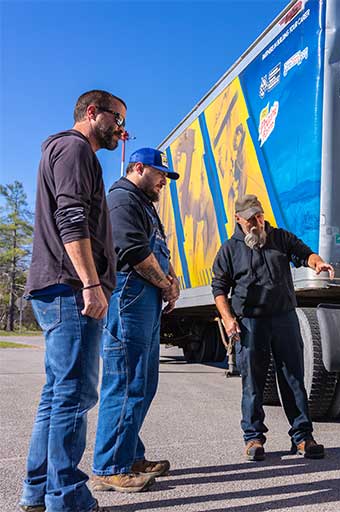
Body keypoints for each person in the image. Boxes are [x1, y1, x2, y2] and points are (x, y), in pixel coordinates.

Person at [20, 90, 126, 512]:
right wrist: (90, 283)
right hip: (70, 289)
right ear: (92, 112)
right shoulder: (75, 149)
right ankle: (65, 496)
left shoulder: (66, 150)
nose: (122, 128)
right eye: (117, 118)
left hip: (58, 288)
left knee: (58, 393)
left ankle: (37, 490)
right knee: (73, 394)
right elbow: (72, 217)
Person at [212, 194, 333, 461]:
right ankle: (253, 438)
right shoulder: (229, 250)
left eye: (260, 215)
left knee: (293, 378)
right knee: (253, 382)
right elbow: (219, 288)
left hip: (284, 318)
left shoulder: (279, 237)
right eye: (251, 218)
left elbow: (303, 253)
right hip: (250, 323)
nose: (257, 221)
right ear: (238, 219)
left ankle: (302, 437)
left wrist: (317, 262)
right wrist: (229, 319)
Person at [91, 148, 181, 492]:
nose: (163, 181)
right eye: (160, 174)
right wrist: (165, 284)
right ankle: (109, 467)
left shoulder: (145, 205)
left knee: (143, 384)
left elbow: (158, 250)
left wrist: (171, 281)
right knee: (126, 383)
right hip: (129, 297)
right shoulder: (121, 199)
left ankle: (128, 455)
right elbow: (131, 251)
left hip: (146, 300)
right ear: (138, 168)